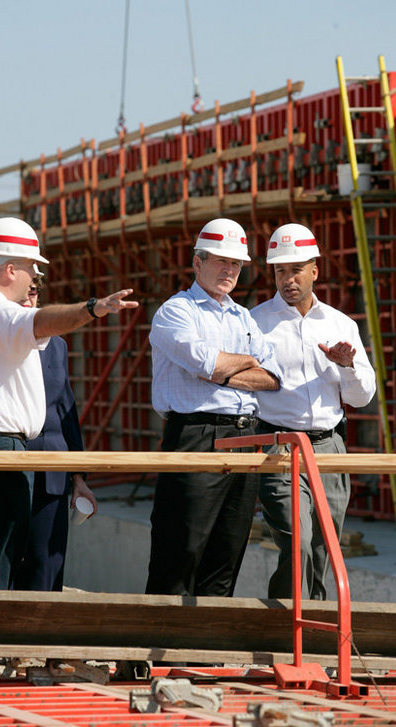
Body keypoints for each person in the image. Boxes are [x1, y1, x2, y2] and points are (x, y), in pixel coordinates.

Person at [0, 216, 138, 592]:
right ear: (11, 269)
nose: (35, 280)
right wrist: (92, 308)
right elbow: (41, 321)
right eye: (32, 270)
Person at [146, 218, 282, 598]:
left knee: (228, 546)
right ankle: (161, 644)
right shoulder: (177, 312)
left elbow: (273, 378)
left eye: (236, 264)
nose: (229, 270)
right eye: (221, 261)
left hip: (246, 435)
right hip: (196, 434)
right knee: (180, 548)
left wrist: (221, 371)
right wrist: (240, 364)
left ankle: (208, 649)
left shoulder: (244, 317)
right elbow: (207, 364)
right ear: (197, 262)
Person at [250, 222, 376, 600]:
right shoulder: (254, 324)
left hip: (329, 448)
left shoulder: (341, 325)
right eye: (280, 271)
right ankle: (286, 628)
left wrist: (346, 366)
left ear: (314, 271)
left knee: (325, 546)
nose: (287, 279)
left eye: (296, 270)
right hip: (280, 448)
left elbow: (363, 396)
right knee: (297, 540)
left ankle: (318, 631)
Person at [13, 279, 97, 592]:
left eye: (37, 286)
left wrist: (79, 478)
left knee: (46, 563)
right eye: (27, 285)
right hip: (7, 462)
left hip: (51, 470)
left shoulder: (57, 345)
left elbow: (66, 411)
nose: (32, 292)